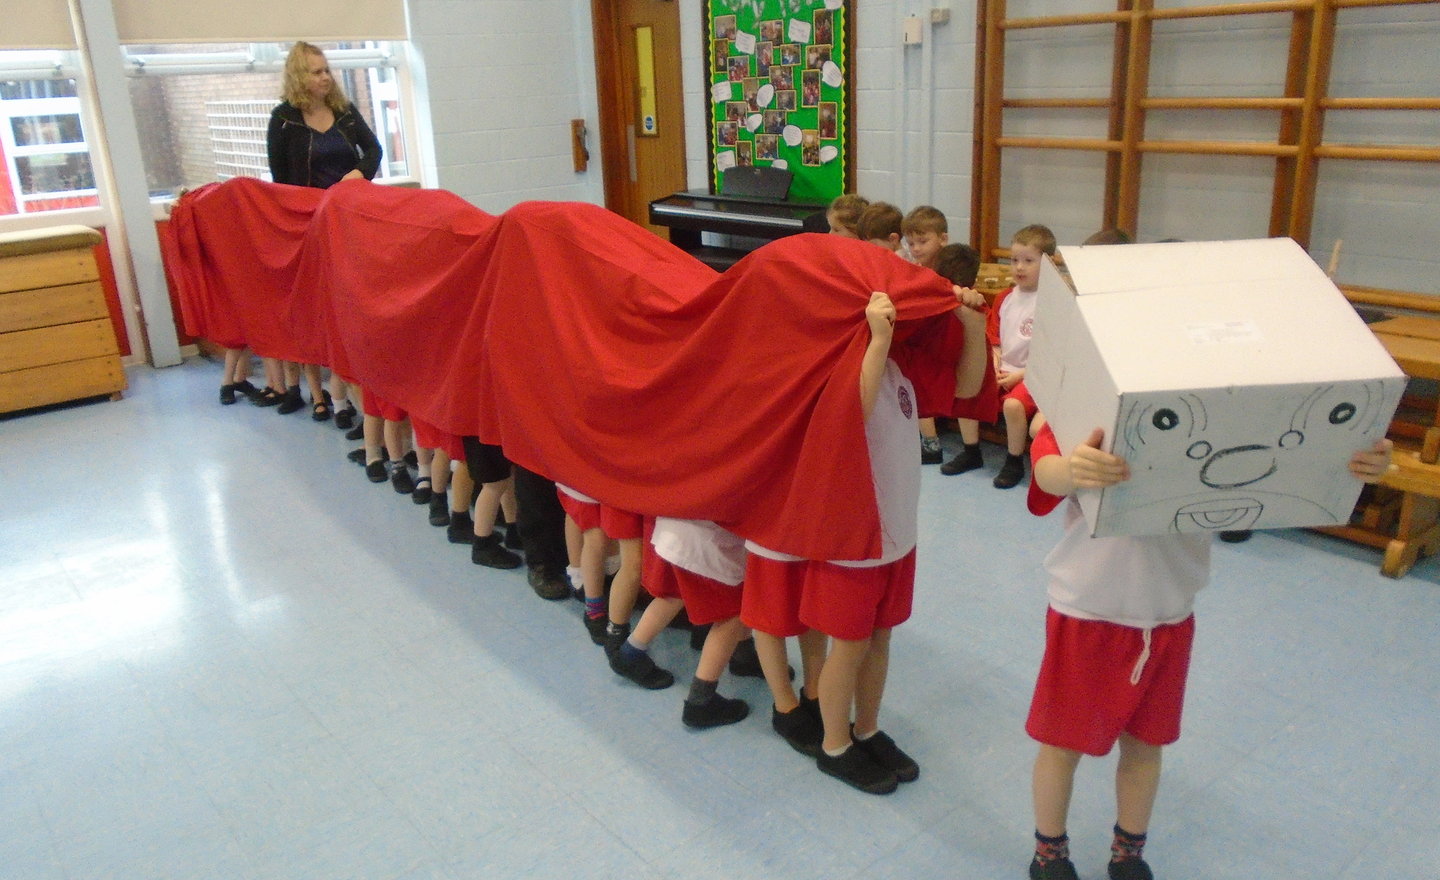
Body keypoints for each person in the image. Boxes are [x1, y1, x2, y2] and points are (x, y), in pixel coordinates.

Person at [1023, 422, 1393, 880]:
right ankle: (1049, 853)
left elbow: (1292, 463)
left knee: (1146, 743)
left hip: (1169, 615)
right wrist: (1075, 468)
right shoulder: (1082, 410)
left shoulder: (1212, 420)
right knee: (1063, 744)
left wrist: (1353, 462)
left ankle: (1129, 852)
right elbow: (1046, 470)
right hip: (1088, 613)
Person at [746, 287, 989, 795]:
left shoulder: (899, 365)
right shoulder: (837, 364)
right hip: (854, 542)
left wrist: (970, 325)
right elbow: (846, 416)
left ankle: (867, 727)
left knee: (880, 639)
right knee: (849, 647)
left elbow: (966, 386)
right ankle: (835, 745)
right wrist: (875, 341)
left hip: (899, 535)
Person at [264, 41, 383, 420]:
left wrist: (358, 174)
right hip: (312, 223)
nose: (325, 77)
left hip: (352, 217)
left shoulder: (344, 112)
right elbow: (281, 182)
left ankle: (367, 394)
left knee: (357, 303)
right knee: (323, 309)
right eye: (316, 72)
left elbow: (374, 150)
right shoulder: (284, 120)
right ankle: (334, 398)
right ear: (300, 76)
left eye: (326, 69)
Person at [943, 223, 1056, 488]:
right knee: (967, 387)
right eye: (1014, 260)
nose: (1019, 267)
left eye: (1028, 261)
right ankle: (971, 451)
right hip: (1003, 369)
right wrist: (993, 364)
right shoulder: (1006, 297)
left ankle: (1014, 460)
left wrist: (1020, 375)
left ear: (1048, 263)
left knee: (1013, 406)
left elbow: (1054, 355)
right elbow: (994, 340)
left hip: (1033, 377)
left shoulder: (1052, 301)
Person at [902, 206, 952, 464]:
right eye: (910, 243)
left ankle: (931, 444)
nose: (916, 248)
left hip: (943, 342)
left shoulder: (948, 268)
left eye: (922, 241)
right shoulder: (915, 269)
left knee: (916, 375)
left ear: (942, 239)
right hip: (925, 340)